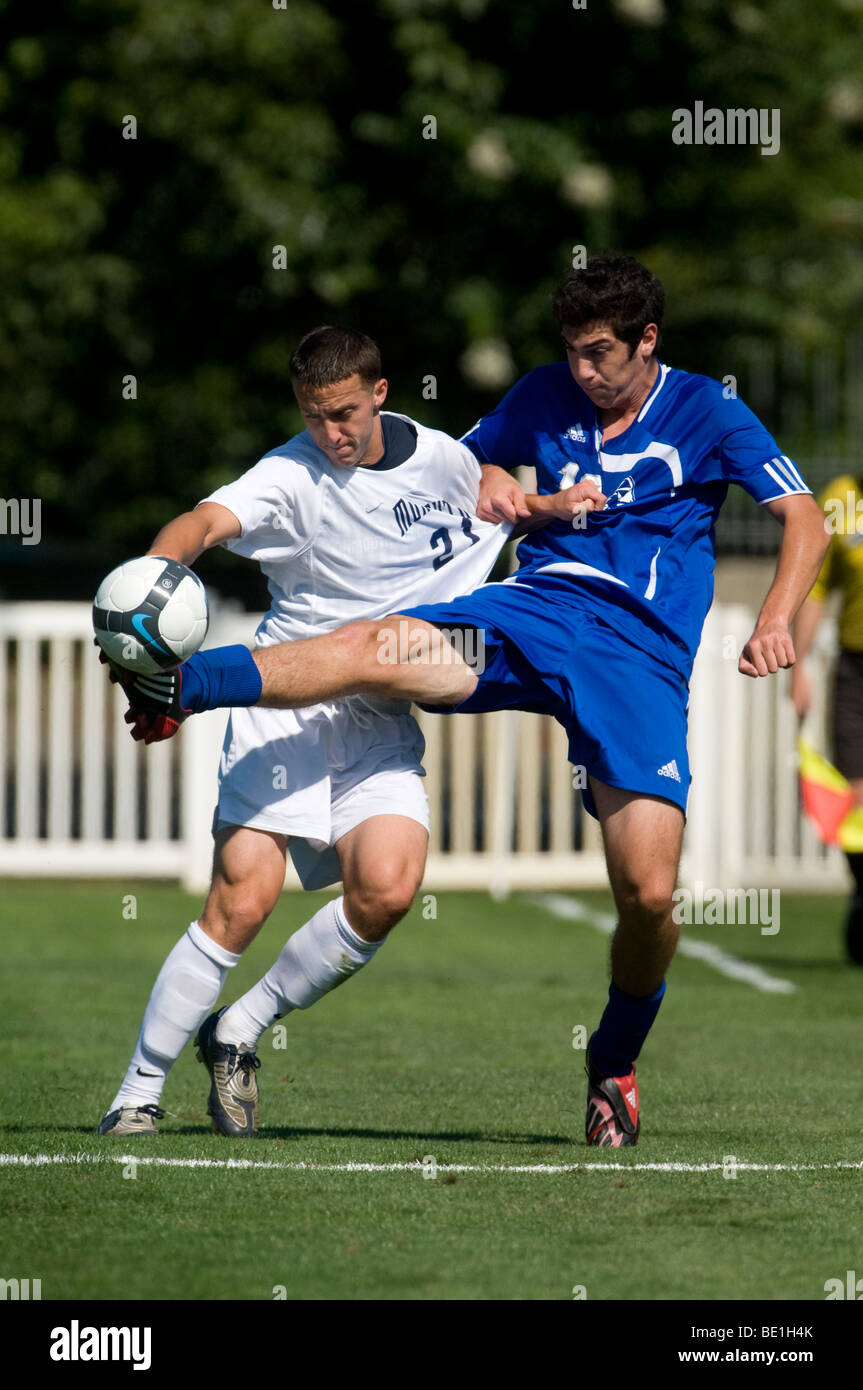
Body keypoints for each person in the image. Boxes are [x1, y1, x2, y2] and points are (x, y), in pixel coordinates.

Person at [116, 254, 830, 1147]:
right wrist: (503, 486)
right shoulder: (541, 393)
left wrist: (775, 619)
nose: (582, 372)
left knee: (649, 897)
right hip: (527, 616)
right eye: (570, 352)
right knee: (383, 644)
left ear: (648, 341)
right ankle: (179, 684)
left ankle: (611, 1058)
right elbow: (471, 469)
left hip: (637, 661)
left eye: (601, 352)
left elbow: (804, 517)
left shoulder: (709, 411)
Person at [98, 324, 601, 1138]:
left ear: (379, 394)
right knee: (243, 901)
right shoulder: (289, 475)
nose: (327, 431)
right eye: (312, 413)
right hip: (287, 700)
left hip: (380, 708)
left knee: (389, 888)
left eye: (341, 413)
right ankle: (136, 1094)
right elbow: (201, 523)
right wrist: (155, 579)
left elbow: (493, 505)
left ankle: (237, 1029)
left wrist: (545, 503)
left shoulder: (442, 457)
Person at [791, 472, 863, 963]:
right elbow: (816, 587)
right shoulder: (845, 498)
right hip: (856, 671)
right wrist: (798, 666)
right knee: (856, 800)